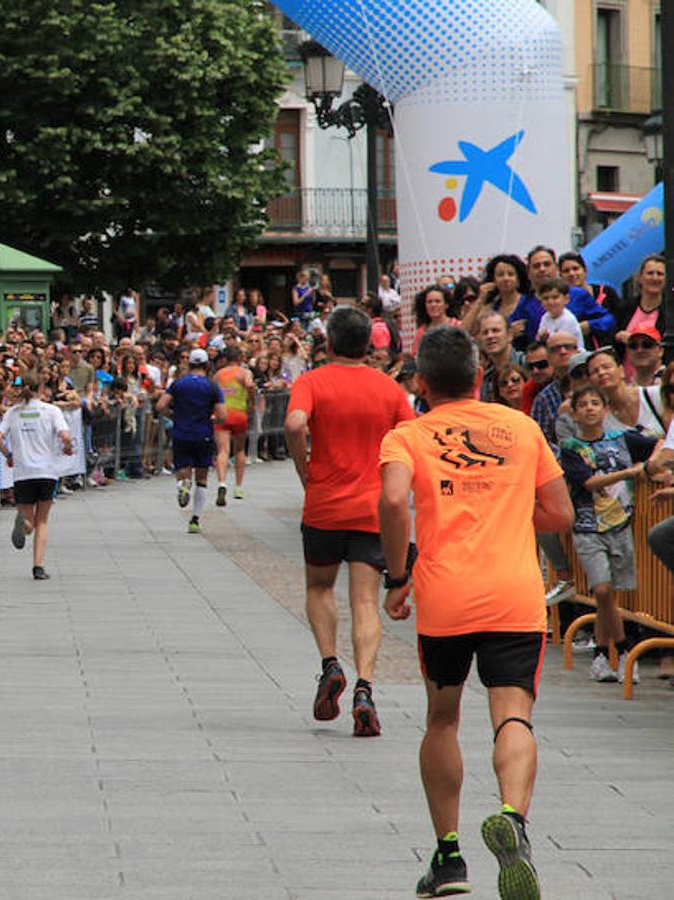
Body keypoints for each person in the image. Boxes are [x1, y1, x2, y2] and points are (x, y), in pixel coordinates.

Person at [378, 325, 572, 900]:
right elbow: (560, 512)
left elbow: (393, 500)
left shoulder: (407, 435)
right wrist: (507, 511)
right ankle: (513, 817)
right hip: (514, 593)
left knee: (443, 718)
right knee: (513, 714)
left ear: (421, 382)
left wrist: (397, 575)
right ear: (479, 375)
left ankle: (449, 858)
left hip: (445, 596)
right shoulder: (521, 427)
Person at [284, 306, 413, 738]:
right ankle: (365, 687)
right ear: (368, 345)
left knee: (319, 588)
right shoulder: (388, 388)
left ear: (329, 342)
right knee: (365, 600)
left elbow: (295, 423)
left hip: (324, 504)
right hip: (372, 508)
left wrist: (304, 469)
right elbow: (411, 437)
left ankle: (329, 663)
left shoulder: (312, 381)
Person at [559, 384, 659, 683]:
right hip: (588, 526)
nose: (589, 408)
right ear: (574, 413)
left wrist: (649, 466)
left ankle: (602, 655)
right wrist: (630, 473)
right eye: (583, 404)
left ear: (605, 410)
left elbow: (660, 444)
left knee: (612, 596)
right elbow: (588, 482)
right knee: (602, 590)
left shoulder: (623, 438)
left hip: (621, 524)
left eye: (595, 403)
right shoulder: (571, 448)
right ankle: (625, 648)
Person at [0, 369, 73, 580]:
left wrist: (9, 455)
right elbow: (65, 436)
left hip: (23, 471)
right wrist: (67, 447)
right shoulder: (51, 410)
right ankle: (38, 567)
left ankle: (24, 524)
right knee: (42, 521)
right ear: (41, 388)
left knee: (30, 520)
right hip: (47, 471)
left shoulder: (13, 412)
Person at [155, 349, 224, 535]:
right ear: (207, 365)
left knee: (182, 470)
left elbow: (160, 406)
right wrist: (212, 418)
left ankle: (182, 485)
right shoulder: (212, 386)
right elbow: (222, 415)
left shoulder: (178, 384)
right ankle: (195, 520)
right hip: (204, 434)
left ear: (190, 364)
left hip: (181, 432)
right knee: (201, 478)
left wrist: (172, 414)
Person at [211, 345, 253, 504]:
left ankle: (222, 482)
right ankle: (238, 487)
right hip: (239, 414)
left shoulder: (219, 374)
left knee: (223, 451)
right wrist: (251, 400)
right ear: (240, 358)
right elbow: (249, 384)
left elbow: (213, 392)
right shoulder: (244, 372)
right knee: (240, 450)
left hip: (223, 414)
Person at [532, 277, 583, 351]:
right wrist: (542, 338)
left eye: (555, 297)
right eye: (545, 298)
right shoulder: (545, 317)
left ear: (566, 299)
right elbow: (539, 339)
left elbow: (560, 343)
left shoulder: (568, 319)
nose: (550, 302)